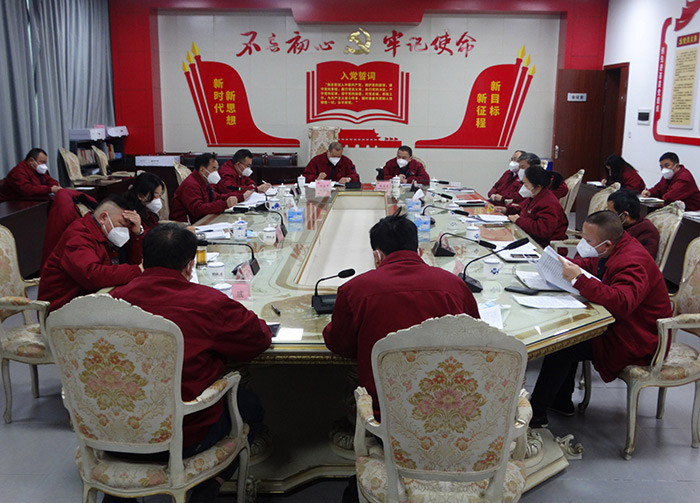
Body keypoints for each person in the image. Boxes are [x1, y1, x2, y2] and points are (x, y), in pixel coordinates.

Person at [110, 223, 272, 503]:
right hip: (185, 435)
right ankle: (208, 488)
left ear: (143, 260)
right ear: (189, 266)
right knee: (250, 405)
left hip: (113, 431)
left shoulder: (113, 301)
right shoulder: (206, 302)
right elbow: (258, 338)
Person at [323, 213, 479, 415]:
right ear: (419, 251)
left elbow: (339, 344)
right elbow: (476, 338)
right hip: (449, 408)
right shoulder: (454, 286)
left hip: (384, 414)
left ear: (377, 255)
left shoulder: (354, 290)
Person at [530, 211, 672, 427]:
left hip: (637, 337)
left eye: (588, 240)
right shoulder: (616, 247)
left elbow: (622, 303)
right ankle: (560, 400)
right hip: (621, 325)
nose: (583, 244)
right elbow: (592, 265)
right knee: (567, 335)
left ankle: (536, 415)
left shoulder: (633, 261)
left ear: (606, 244)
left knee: (563, 344)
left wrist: (579, 280)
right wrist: (561, 263)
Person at [38, 195, 143, 312]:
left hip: (93, 299)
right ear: (103, 218)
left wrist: (137, 234)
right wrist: (137, 270)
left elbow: (132, 263)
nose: (125, 231)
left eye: (129, 227)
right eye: (123, 225)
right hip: (64, 308)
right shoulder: (78, 235)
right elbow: (92, 275)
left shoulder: (107, 232)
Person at [507, 166, 568, 248]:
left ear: (538, 187)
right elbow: (524, 209)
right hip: (531, 239)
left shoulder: (549, 203)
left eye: (526, 185)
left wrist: (518, 220)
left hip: (546, 246)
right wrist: (507, 209)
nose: (523, 188)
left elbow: (542, 230)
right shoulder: (534, 196)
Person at [169, 153, 239, 223]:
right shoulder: (191, 185)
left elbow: (216, 197)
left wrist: (239, 197)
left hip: (200, 220)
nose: (216, 173)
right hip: (184, 225)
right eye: (213, 168)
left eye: (217, 169)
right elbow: (197, 209)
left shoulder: (204, 182)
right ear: (202, 170)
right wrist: (224, 204)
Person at [607, 188, 659, 259]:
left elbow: (641, 259)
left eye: (611, 213)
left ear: (624, 215)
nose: (609, 216)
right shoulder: (618, 224)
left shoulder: (647, 231)